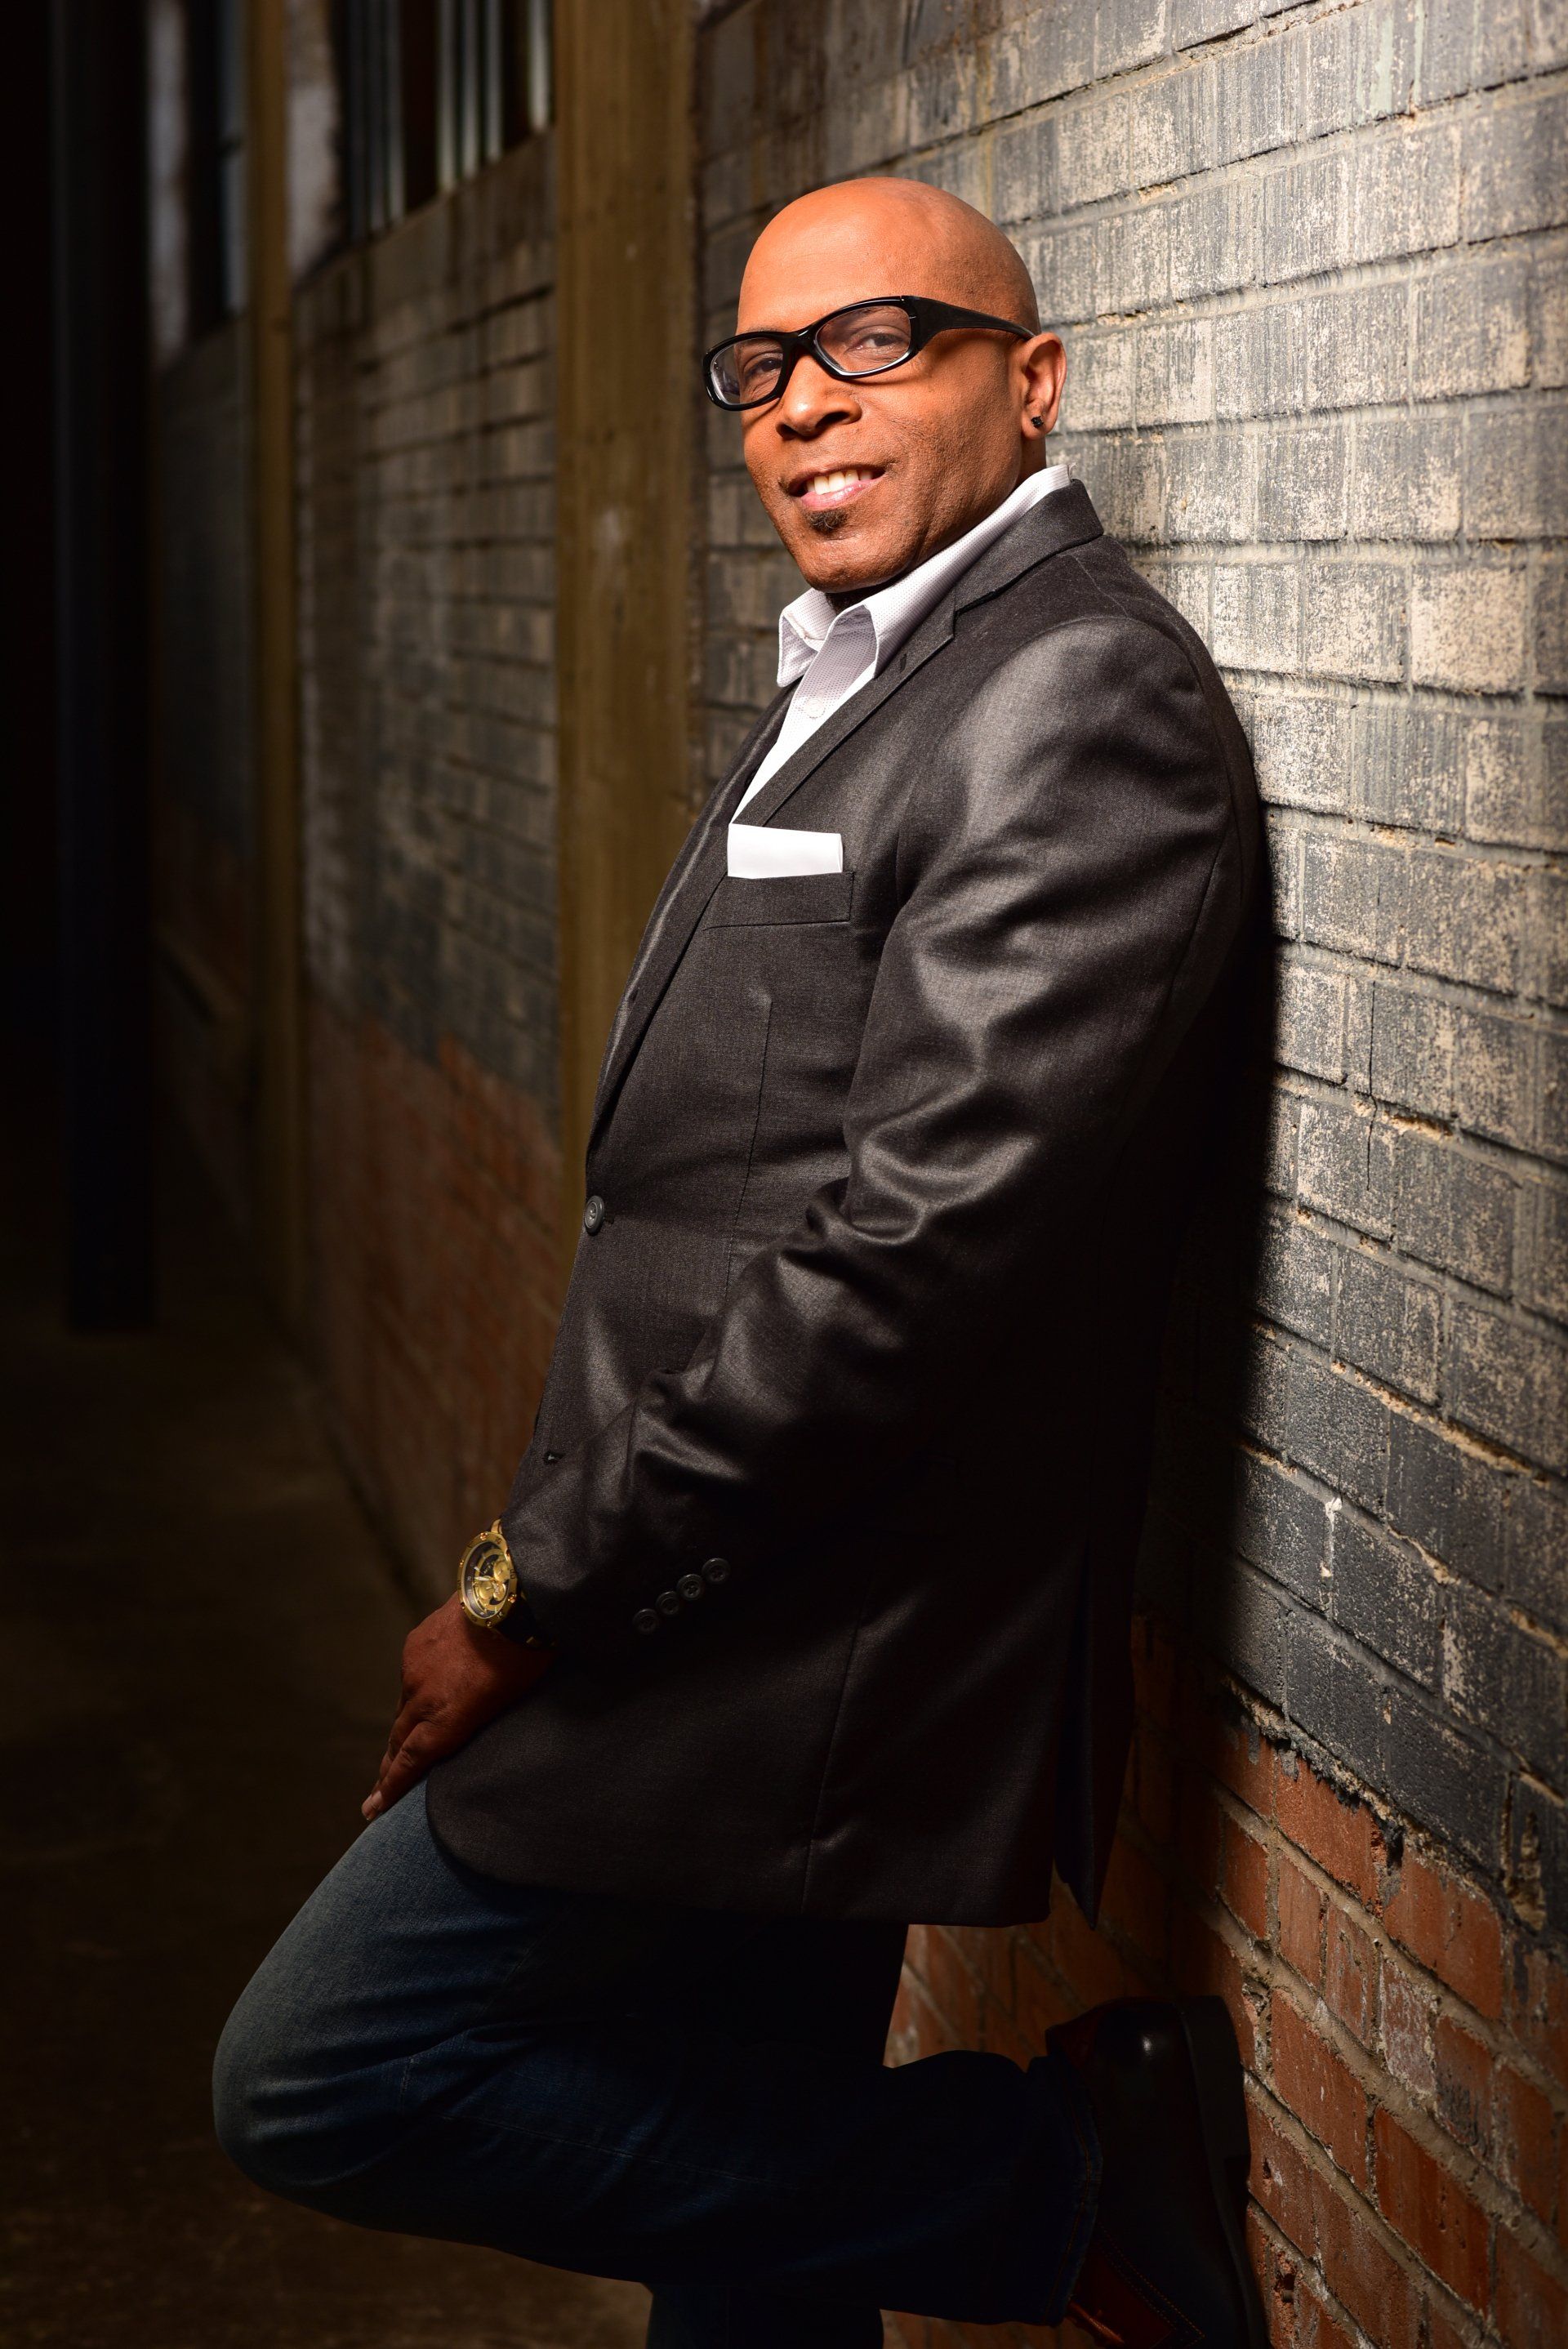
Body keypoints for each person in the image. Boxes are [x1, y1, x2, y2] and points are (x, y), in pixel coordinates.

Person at [215, 177, 1265, 2349]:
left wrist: (532, 1585)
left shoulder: (1076, 701)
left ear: (1031, 377)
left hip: (794, 1628)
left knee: (319, 2068)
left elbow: (914, 1254)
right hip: (744, 1572)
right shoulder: (893, 665)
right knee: (751, 2221)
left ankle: (1060, 2184)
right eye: (764, 367)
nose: (801, 407)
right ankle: (1049, 2197)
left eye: (875, 343)